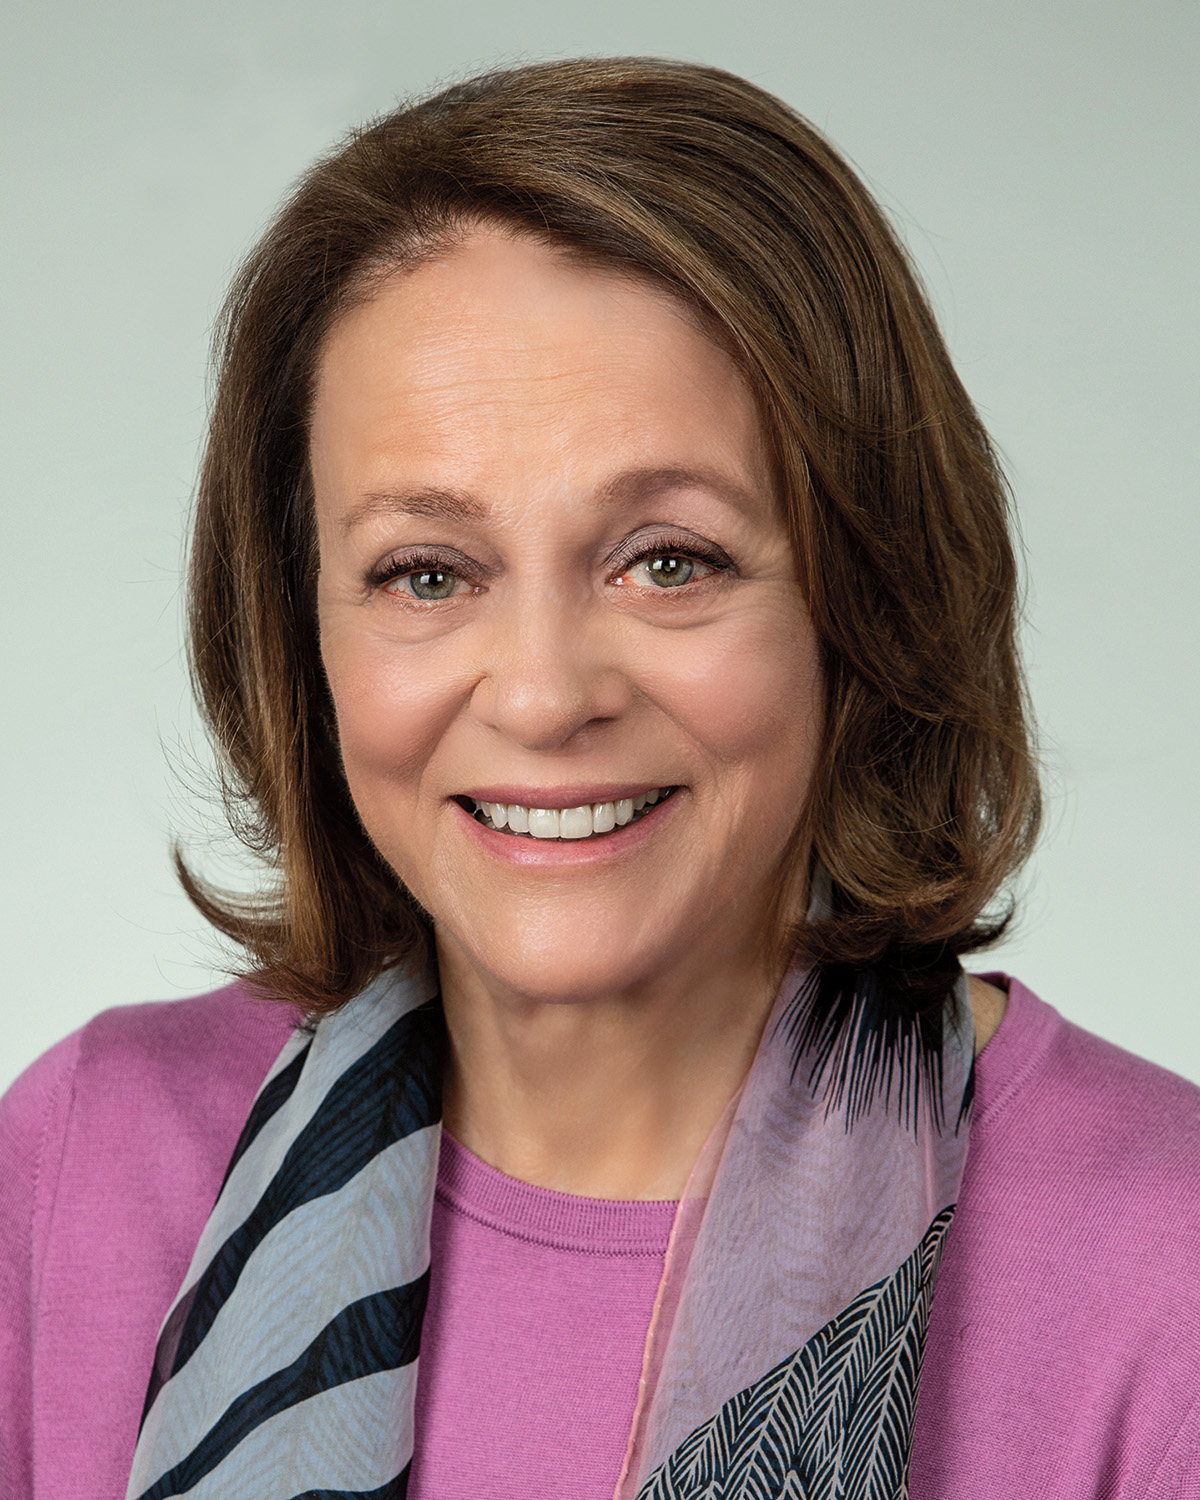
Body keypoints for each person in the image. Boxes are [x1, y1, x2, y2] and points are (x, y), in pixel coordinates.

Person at [2, 56, 1198, 1500]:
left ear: (858, 600)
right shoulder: (84, 1170)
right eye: (425, 572)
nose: (547, 694)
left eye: (670, 561)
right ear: (297, 628)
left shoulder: (1159, 1268)